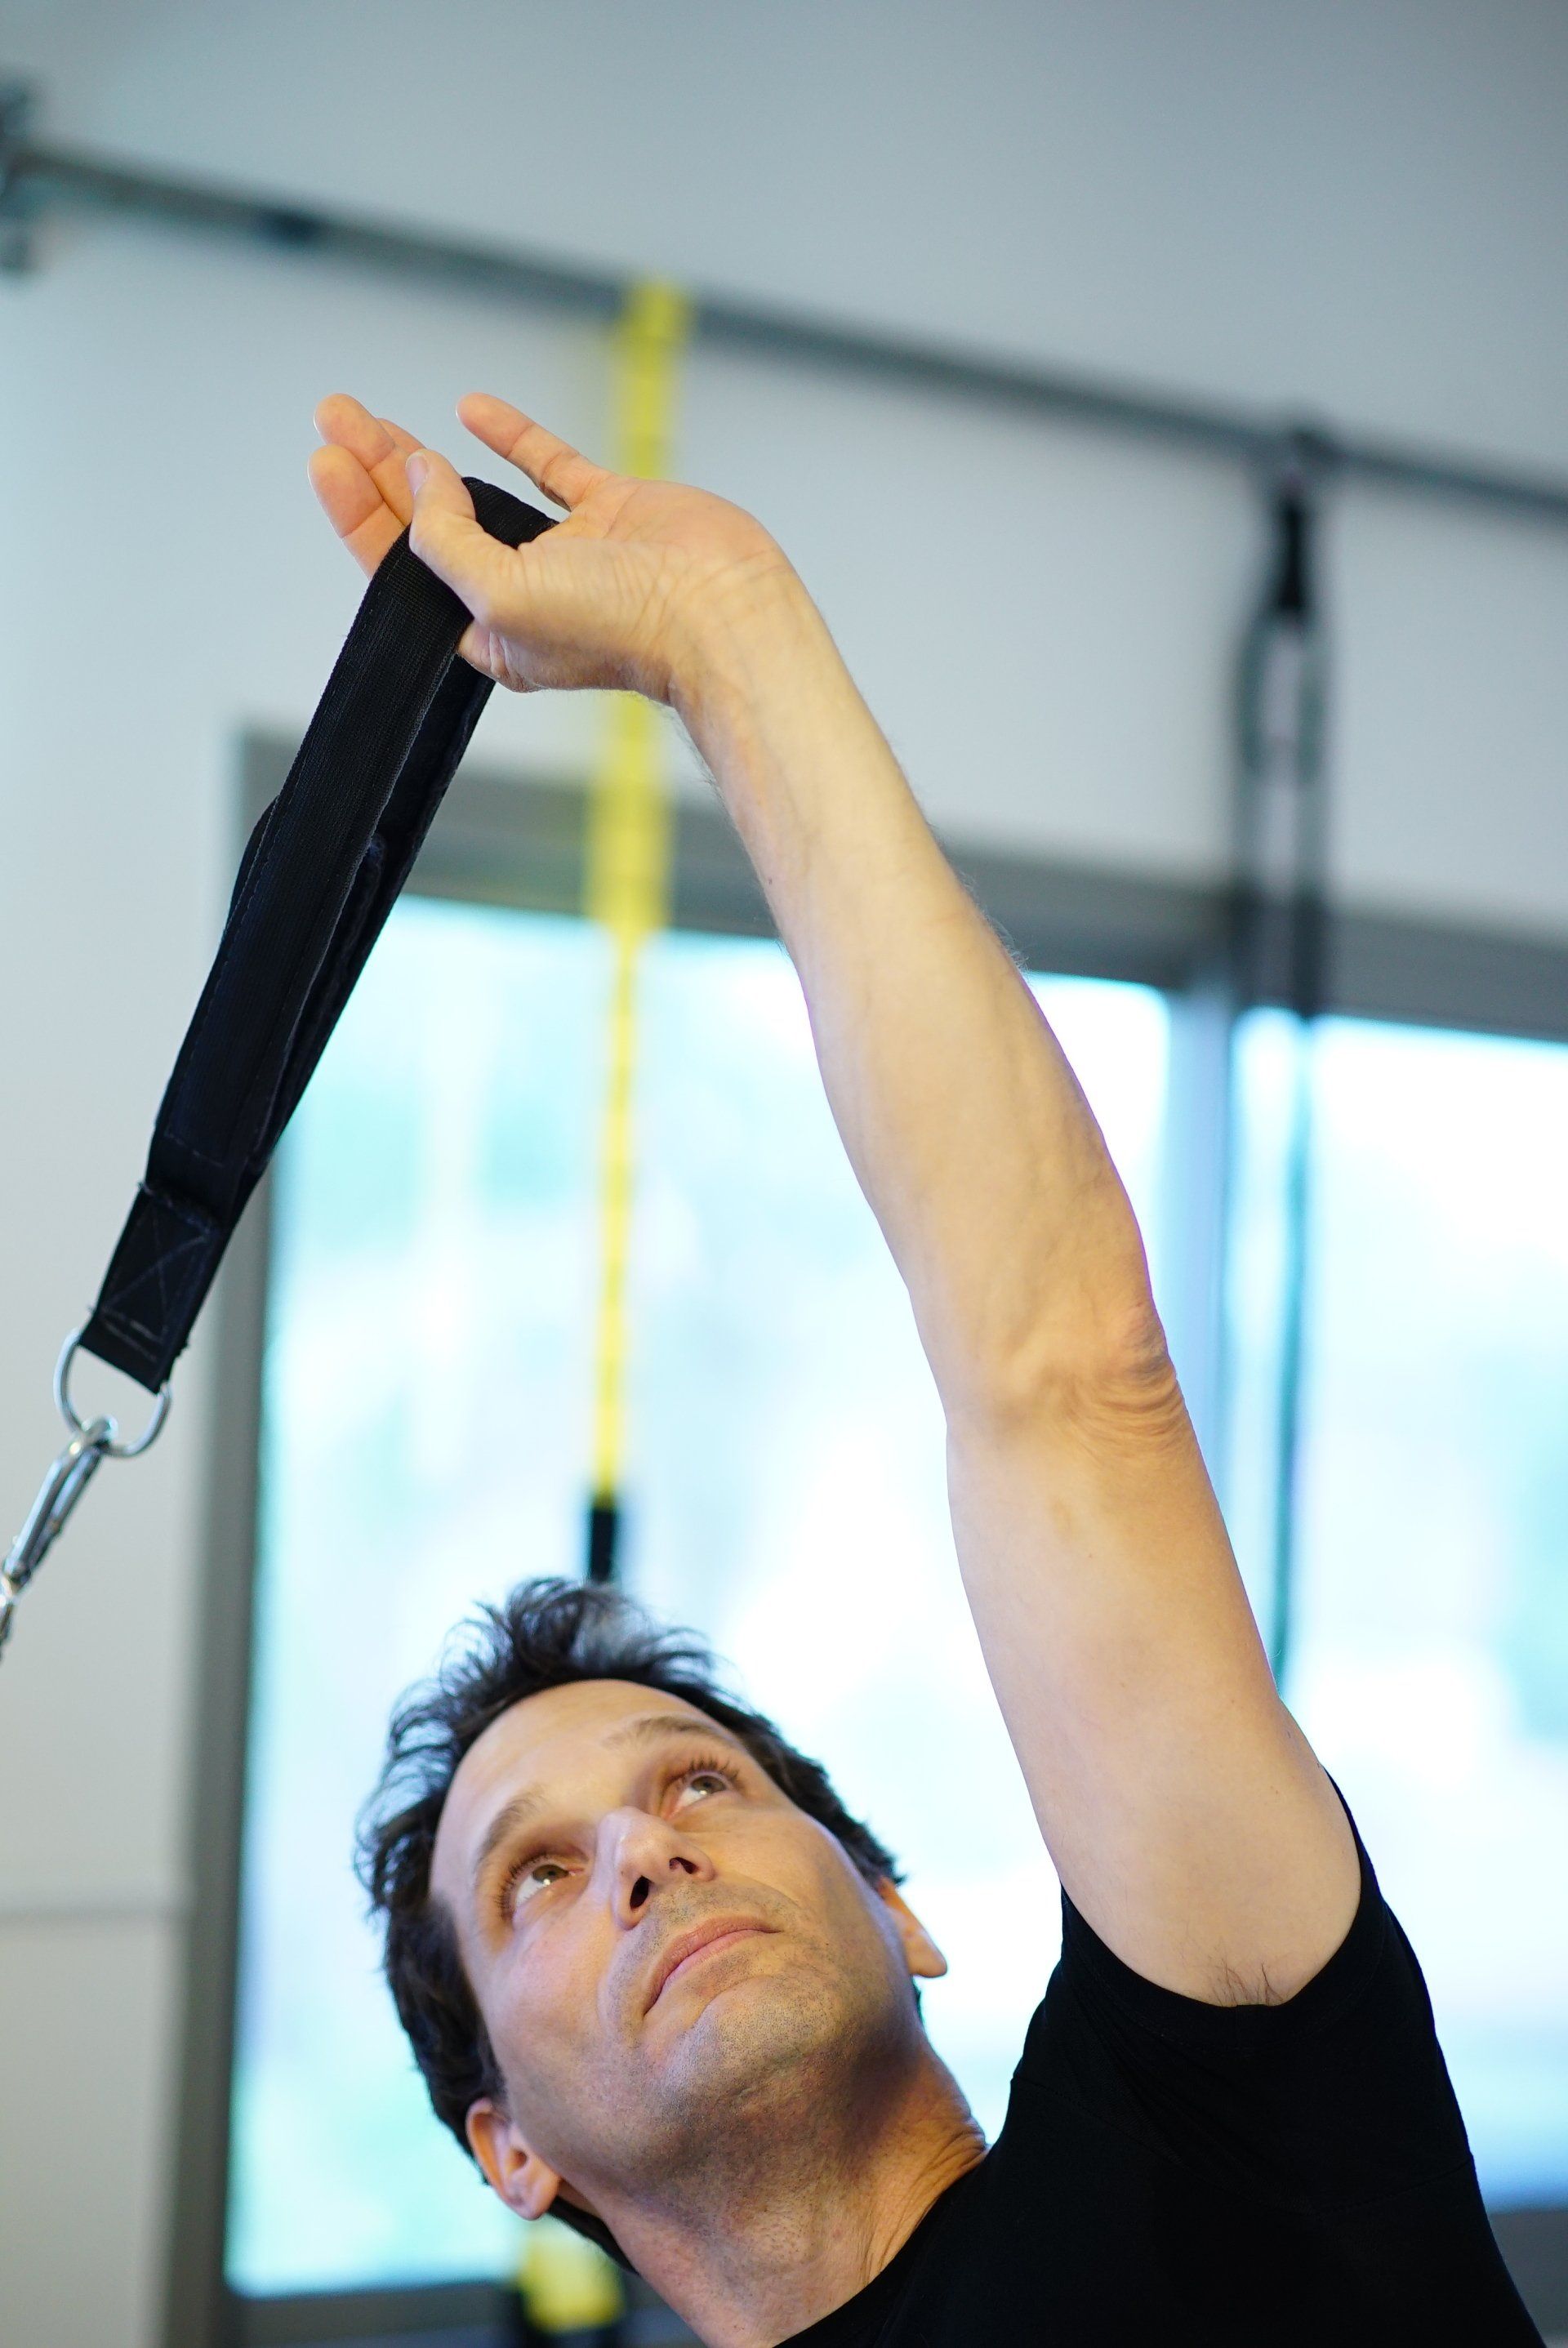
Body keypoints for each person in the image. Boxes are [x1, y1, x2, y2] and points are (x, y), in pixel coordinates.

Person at [310, 393, 1544, 2348]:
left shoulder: (1220, 2144)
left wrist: (728, 633)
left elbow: (1062, 1375)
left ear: (898, 1910)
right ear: (508, 2149)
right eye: (539, 1876)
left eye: (699, 1779)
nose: (645, 1848)